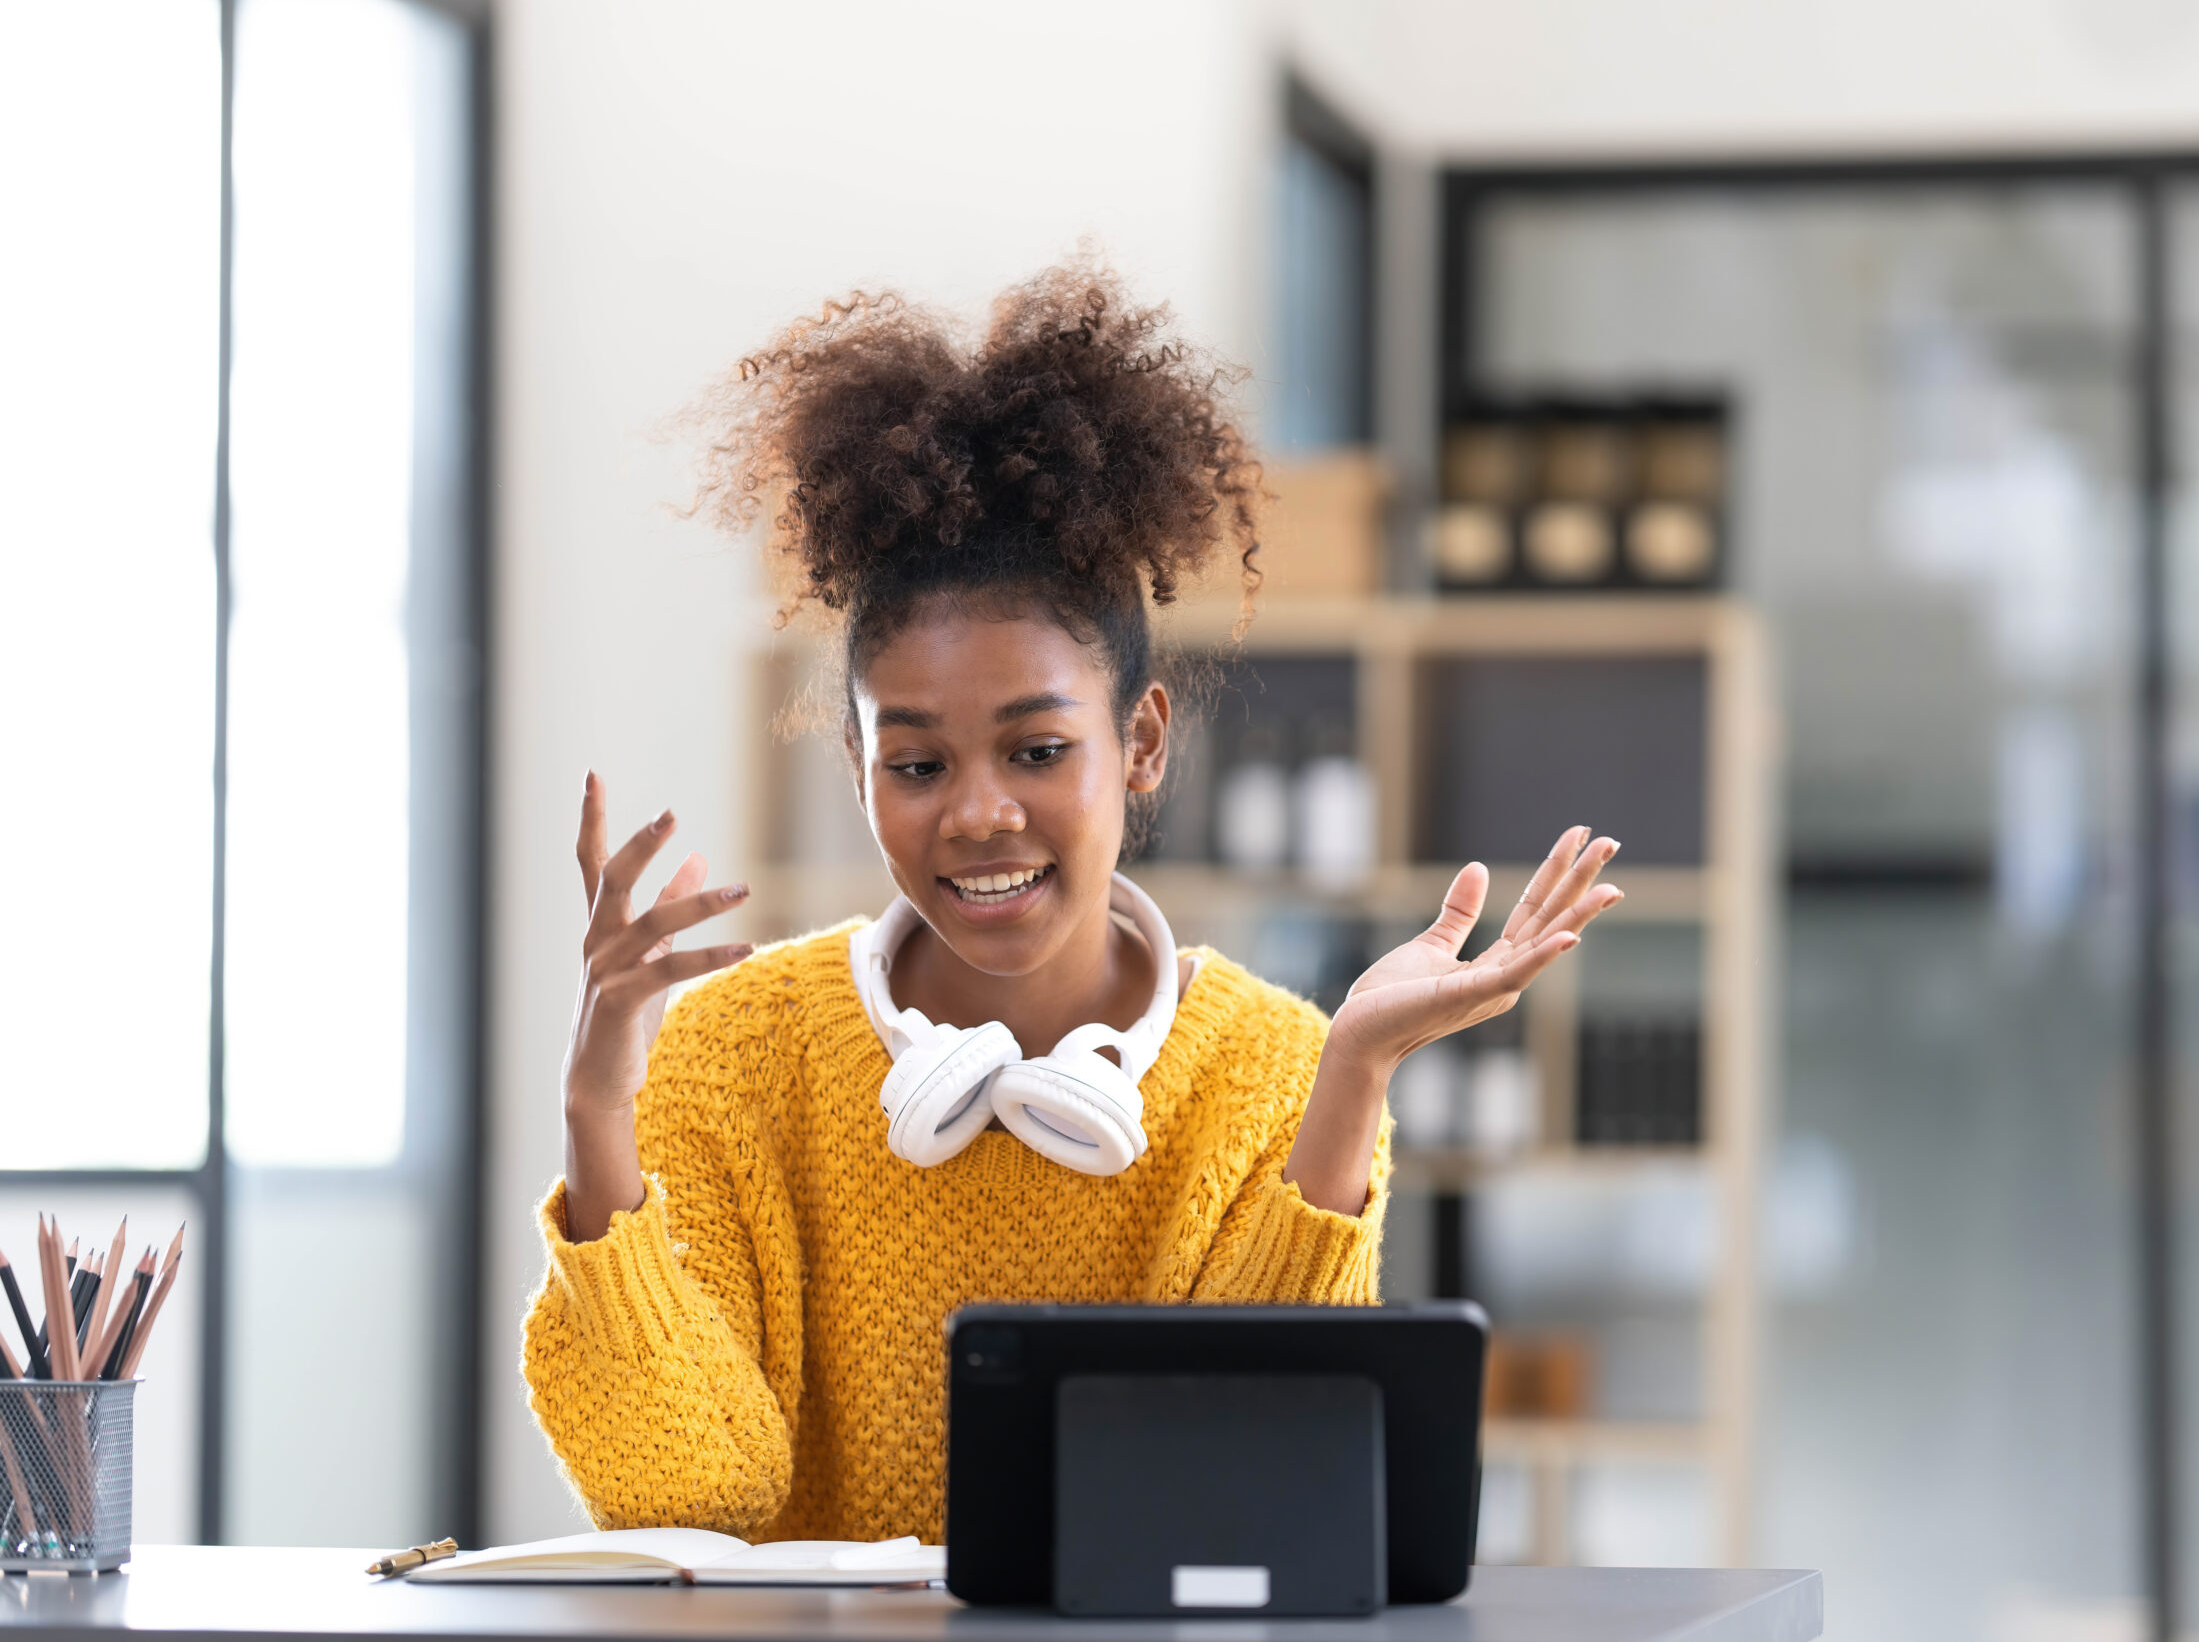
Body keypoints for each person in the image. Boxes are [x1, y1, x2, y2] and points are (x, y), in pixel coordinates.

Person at [520, 264, 1621, 1544]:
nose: (977, 813)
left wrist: (1352, 1076)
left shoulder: (1274, 1068)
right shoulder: (727, 1053)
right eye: (917, 764)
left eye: (1037, 751)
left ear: (1142, 741)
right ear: (856, 768)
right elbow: (693, 1494)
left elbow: (1245, 1504)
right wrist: (598, 1118)